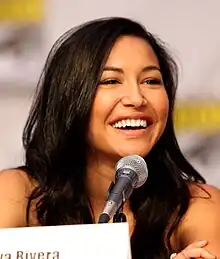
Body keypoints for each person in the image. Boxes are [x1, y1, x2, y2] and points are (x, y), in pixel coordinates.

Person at [0, 17, 220, 259]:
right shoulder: (17, 191)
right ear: (69, 98)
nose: (136, 99)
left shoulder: (197, 204)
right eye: (111, 81)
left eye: (151, 81)